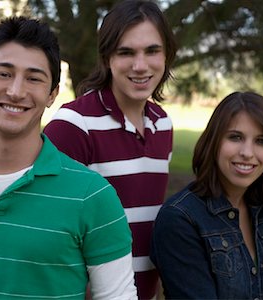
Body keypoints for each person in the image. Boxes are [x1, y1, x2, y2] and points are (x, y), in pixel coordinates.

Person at [0, 16, 137, 299]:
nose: (15, 91)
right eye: (3, 73)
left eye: (34, 78)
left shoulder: (92, 195)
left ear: (52, 94)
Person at [43, 0, 177, 298]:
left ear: (167, 54)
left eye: (152, 51)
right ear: (106, 58)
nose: (140, 66)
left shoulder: (163, 124)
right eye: (126, 52)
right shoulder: (74, 124)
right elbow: (44, 224)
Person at [150, 91, 263, 299]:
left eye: (261, 141)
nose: (247, 152)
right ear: (214, 142)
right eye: (235, 137)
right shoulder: (180, 219)